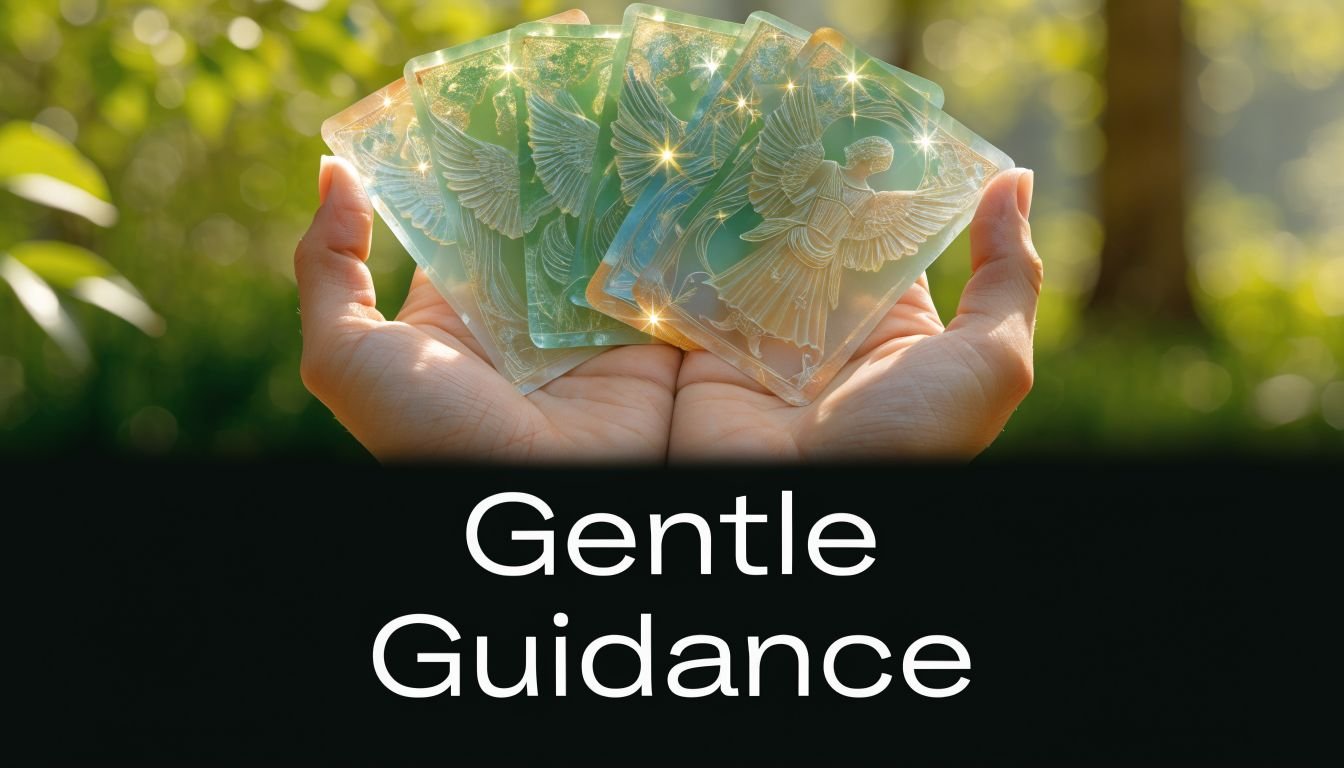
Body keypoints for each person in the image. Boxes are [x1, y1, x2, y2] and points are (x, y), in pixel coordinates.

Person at [295, 155, 1041, 461]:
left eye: (877, 162)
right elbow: (778, 180)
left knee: (784, 311)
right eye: (869, 158)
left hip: (813, 264)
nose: (870, 166)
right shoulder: (821, 169)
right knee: (750, 296)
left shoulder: (876, 203)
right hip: (786, 246)